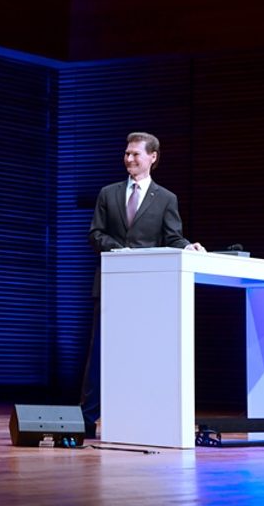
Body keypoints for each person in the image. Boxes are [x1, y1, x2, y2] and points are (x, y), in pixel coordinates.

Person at [82, 131, 204, 438]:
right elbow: (95, 234)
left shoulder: (166, 199)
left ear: (153, 158)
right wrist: (120, 251)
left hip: (148, 289)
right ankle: (87, 418)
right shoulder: (108, 193)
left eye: (136, 154)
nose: (129, 159)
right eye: (127, 153)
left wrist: (187, 246)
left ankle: (142, 416)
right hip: (111, 284)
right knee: (99, 353)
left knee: (143, 354)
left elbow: (172, 236)